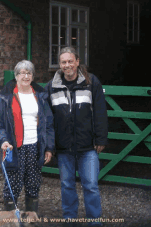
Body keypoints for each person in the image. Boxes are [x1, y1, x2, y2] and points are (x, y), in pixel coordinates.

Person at [45, 47, 108, 227]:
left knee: (91, 186)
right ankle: (70, 220)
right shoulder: (51, 87)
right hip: (64, 148)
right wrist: (50, 146)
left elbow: (100, 112)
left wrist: (101, 138)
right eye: (63, 62)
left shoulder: (91, 82)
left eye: (70, 61)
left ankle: (95, 222)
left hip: (87, 146)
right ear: (60, 64)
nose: (67, 65)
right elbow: (47, 119)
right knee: (67, 187)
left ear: (77, 62)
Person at [0, 60, 55, 213]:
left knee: (33, 185)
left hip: (35, 147)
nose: (26, 76)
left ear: (32, 76)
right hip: (14, 147)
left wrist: (49, 148)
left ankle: (30, 219)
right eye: (22, 73)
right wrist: (3, 141)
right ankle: (9, 219)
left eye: (29, 73)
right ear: (16, 75)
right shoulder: (6, 97)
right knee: (12, 186)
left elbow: (49, 124)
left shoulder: (40, 95)